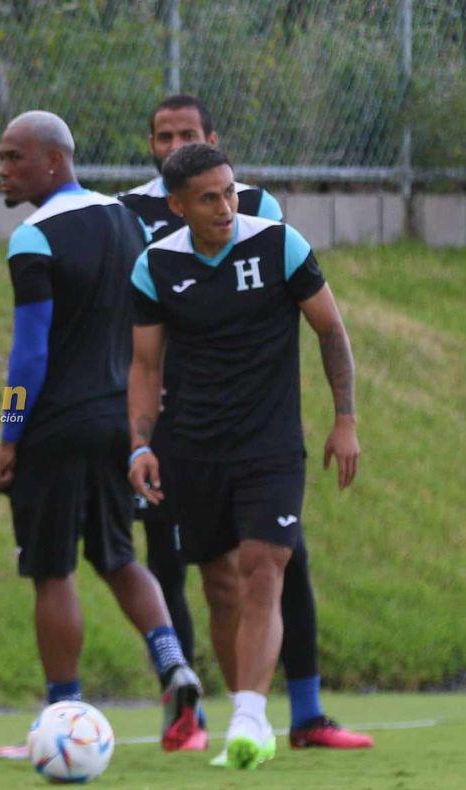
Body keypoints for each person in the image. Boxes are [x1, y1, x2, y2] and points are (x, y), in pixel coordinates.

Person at [119, 94, 371, 751]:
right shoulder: (156, 265)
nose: (226, 208)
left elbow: (332, 330)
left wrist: (345, 420)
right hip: (192, 445)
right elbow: (145, 367)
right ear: (178, 206)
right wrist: (139, 445)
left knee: (267, 564)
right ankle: (242, 713)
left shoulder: (281, 246)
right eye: (208, 199)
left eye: (230, 193)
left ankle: (253, 720)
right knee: (218, 582)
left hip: (271, 442)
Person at [0, 110, 203, 759]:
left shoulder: (32, 238)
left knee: (52, 571)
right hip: (117, 418)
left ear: (54, 161)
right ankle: (172, 662)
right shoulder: (125, 221)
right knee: (118, 556)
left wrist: (8, 438)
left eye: (13, 156)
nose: (3, 169)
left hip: (56, 425)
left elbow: (29, 355)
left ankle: (60, 720)